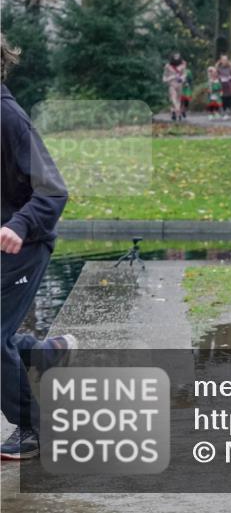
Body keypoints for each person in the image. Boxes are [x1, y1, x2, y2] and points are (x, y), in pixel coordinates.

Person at [1, 35, 74, 460]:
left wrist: (18, 224)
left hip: (23, 245)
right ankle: (40, 353)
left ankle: (33, 428)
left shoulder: (9, 118)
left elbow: (53, 191)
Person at [162, 53, 186, 121]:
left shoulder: (182, 66)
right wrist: (171, 77)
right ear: (172, 57)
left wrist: (182, 78)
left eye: (178, 56)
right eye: (175, 56)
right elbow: (164, 78)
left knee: (178, 99)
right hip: (171, 84)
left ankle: (174, 112)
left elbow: (184, 75)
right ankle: (178, 110)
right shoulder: (168, 66)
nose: (177, 57)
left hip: (179, 84)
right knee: (173, 98)